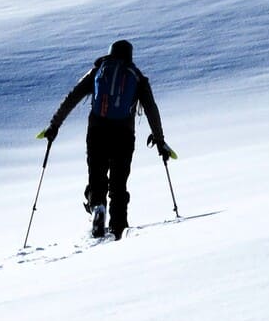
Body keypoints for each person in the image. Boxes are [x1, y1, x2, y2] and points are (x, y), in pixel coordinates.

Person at [39, 39, 174, 239]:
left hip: (97, 130)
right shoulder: (137, 78)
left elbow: (72, 98)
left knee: (97, 176)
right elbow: (151, 110)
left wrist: (54, 125)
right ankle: (119, 230)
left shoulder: (98, 71)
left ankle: (98, 208)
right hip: (124, 135)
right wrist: (160, 140)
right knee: (119, 184)